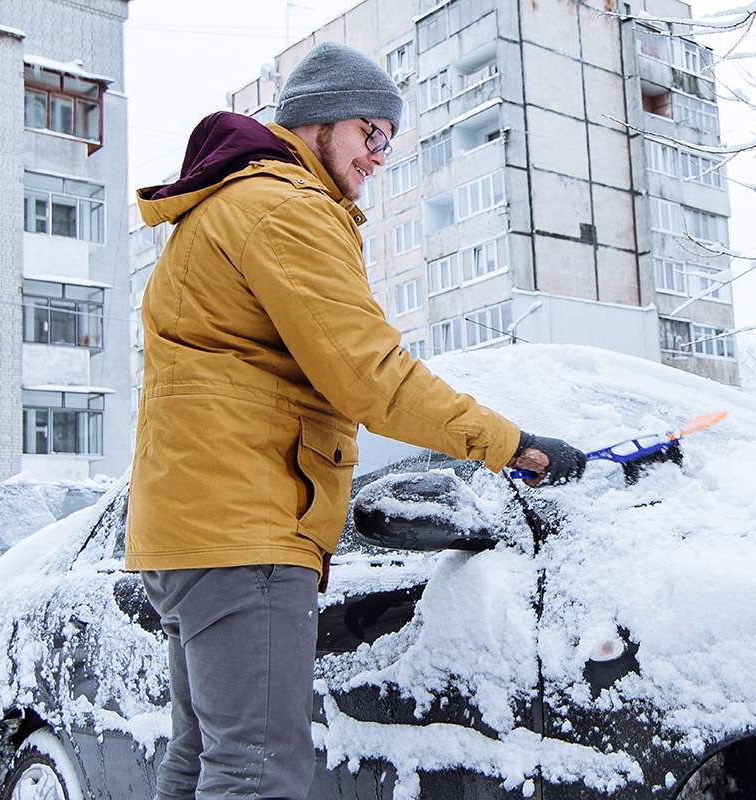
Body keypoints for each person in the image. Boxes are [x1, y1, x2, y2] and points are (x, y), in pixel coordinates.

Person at [125, 42, 586, 800]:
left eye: (388, 142)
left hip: (193, 527)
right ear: (320, 121)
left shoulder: (232, 204)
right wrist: (515, 446)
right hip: (246, 527)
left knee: (210, 759)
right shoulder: (283, 208)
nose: (379, 157)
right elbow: (373, 378)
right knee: (258, 771)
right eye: (371, 134)